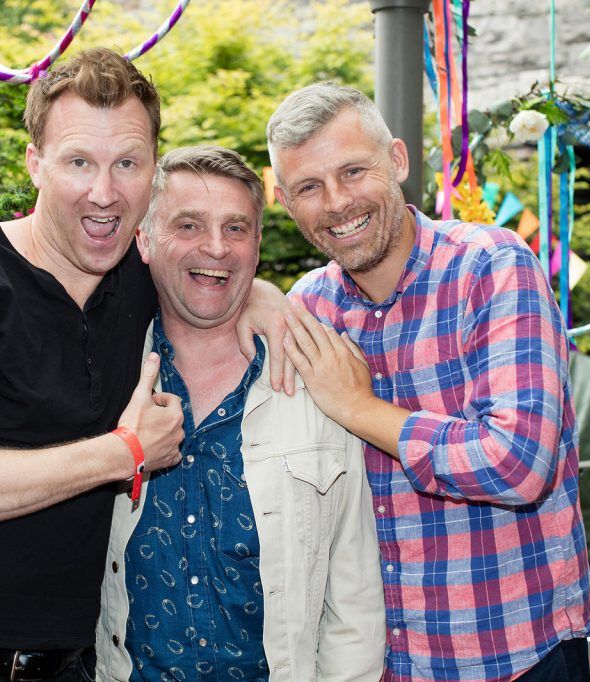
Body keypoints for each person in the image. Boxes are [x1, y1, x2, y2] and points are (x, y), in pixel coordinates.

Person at [0, 49, 291, 682]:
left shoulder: (136, 280)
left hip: (68, 662)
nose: (104, 192)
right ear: (35, 165)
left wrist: (266, 298)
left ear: (151, 172)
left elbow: (211, 268)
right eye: (79, 162)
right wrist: (123, 451)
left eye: (126, 163)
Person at [268, 83, 590, 682]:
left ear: (397, 160)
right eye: (309, 187)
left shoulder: (492, 266)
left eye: (352, 171)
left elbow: (518, 464)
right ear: (287, 203)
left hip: (518, 653)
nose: (337, 201)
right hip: (382, 663)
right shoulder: (306, 309)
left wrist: (360, 408)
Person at [94, 146, 385, 681]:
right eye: (187, 224)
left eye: (236, 228)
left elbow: (354, 601)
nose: (215, 247)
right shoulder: (101, 380)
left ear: (256, 249)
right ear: (144, 240)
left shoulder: (317, 381)